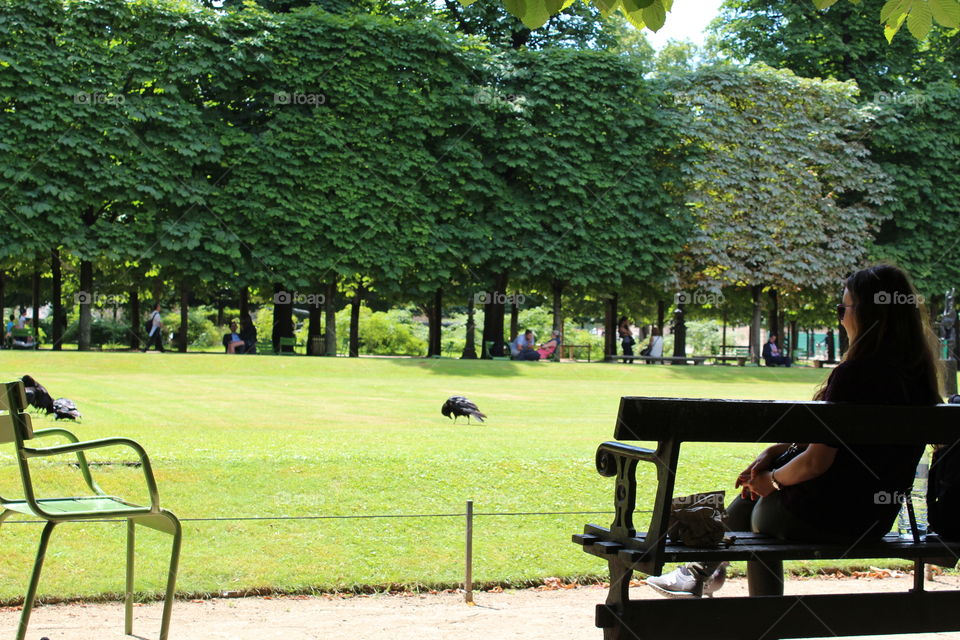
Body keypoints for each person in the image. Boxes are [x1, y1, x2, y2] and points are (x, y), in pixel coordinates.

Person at [646, 265, 942, 599]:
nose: (840, 318)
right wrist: (773, 454)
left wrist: (770, 481)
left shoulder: (854, 375)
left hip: (826, 515)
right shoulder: (920, 378)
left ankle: (723, 586)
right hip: (874, 518)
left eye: (842, 308)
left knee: (756, 500)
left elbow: (816, 462)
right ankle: (702, 575)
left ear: (867, 314)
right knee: (754, 499)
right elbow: (834, 438)